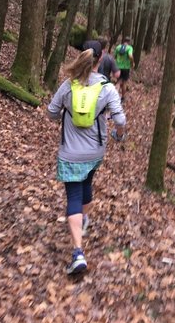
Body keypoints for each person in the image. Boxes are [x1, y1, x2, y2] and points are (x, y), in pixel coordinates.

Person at [47, 40, 126, 275]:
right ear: (101, 59)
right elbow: (120, 120)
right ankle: (85, 221)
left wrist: (66, 113)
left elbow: (51, 112)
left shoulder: (68, 85)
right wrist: (118, 135)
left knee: (73, 195)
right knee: (87, 183)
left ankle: (78, 253)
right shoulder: (107, 88)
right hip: (94, 152)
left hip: (70, 152)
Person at [114, 36, 134, 103]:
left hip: (118, 67)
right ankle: (122, 98)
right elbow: (130, 56)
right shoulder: (129, 48)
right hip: (126, 68)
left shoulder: (118, 47)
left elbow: (115, 56)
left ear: (123, 41)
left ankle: (114, 97)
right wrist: (132, 62)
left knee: (118, 82)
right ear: (129, 42)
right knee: (124, 82)